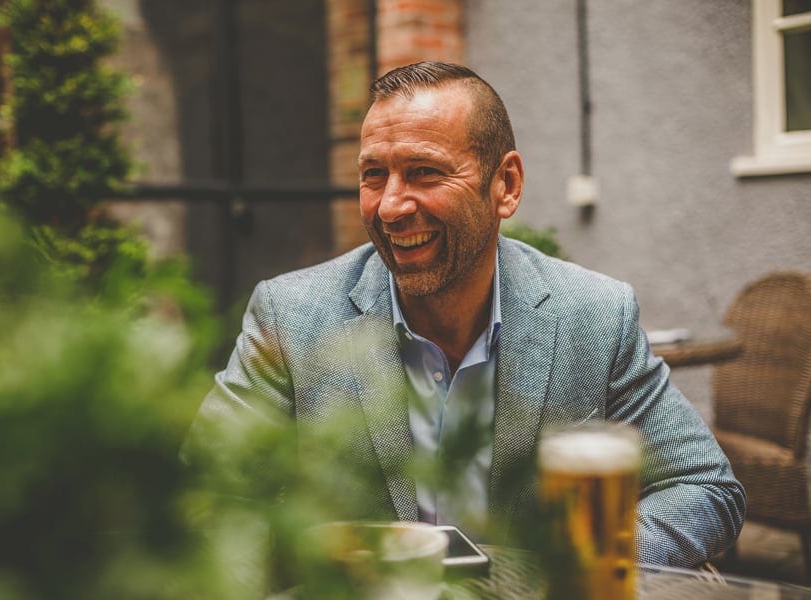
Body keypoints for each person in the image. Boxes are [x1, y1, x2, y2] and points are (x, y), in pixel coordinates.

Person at [188, 61, 745, 567]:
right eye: (373, 175)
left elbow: (704, 487)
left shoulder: (595, 316)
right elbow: (204, 494)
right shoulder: (291, 314)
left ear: (505, 185)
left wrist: (579, 562)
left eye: (424, 172)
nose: (390, 206)